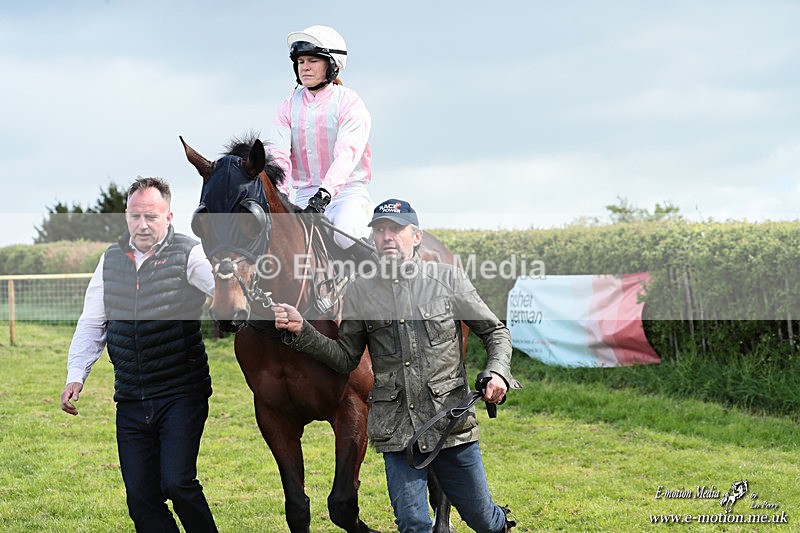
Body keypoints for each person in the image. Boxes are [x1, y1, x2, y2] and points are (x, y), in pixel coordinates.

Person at [272, 198, 520, 532]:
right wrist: (304, 331)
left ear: (416, 236)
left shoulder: (448, 279)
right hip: (397, 431)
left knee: (482, 520)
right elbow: (345, 357)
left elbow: (495, 331)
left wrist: (497, 372)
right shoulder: (360, 291)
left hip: (450, 424)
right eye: (380, 230)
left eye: (396, 229)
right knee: (412, 523)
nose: (387, 236)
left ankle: (499, 520)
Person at [60, 177, 218, 533]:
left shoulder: (189, 253)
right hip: (131, 397)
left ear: (168, 216)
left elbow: (228, 295)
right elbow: (92, 321)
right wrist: (75, 375)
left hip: (181, 393)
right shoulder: (111, 260)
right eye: (135, 216)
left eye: (151, 216)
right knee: (141, 498)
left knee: (177, 483)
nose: (142, 225)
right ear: (126, 216)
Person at [267, 24, 375, 262]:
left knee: (345, 236)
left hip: (347, 193)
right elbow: (279, 156)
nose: (304, 67)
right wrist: (280, 196)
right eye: (301, 61)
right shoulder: (287, 106)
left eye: (312, 61)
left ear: (332, 65)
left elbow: (346, 155)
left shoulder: (350, 103)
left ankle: (382, 282)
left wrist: (324, 195)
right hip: (305, 195)